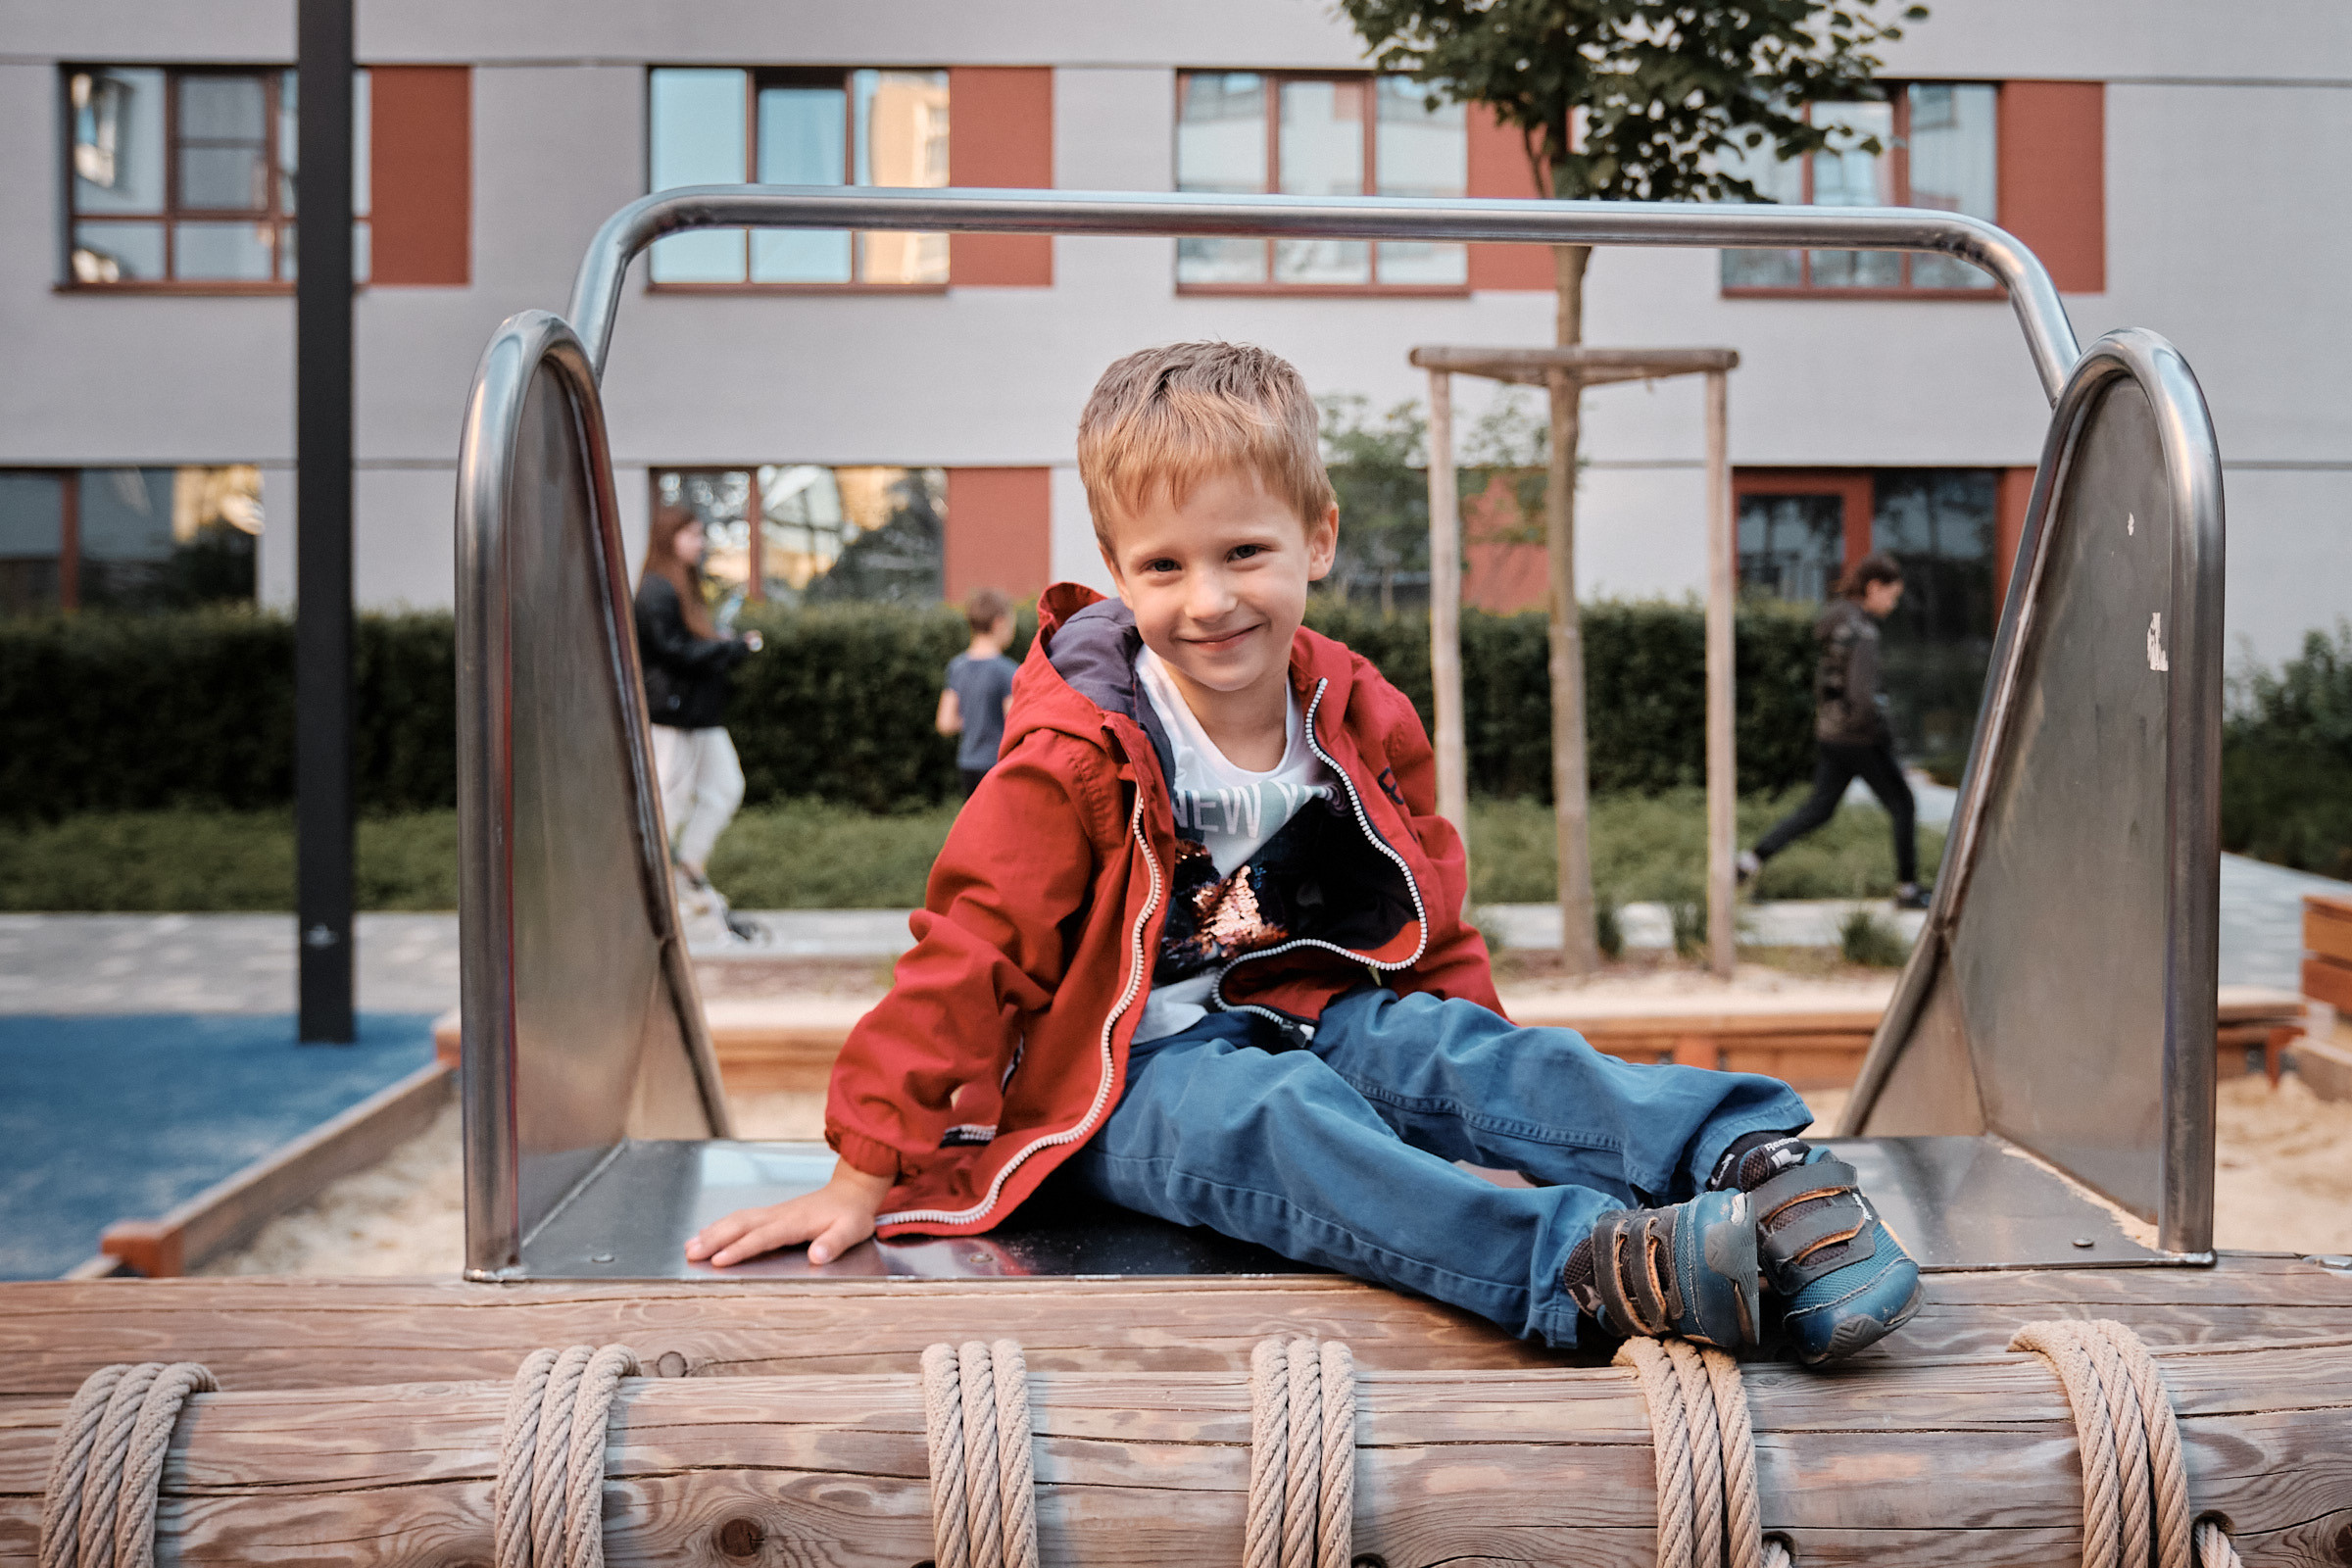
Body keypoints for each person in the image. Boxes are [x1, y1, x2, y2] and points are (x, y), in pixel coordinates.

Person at [686, 342, 1921, 1365]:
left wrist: (1484, 1115)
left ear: (1317, 538)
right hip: (1123, 1082)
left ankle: (1755, 1162)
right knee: (1274, 1121)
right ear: (1116, 572)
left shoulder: (1357, 715)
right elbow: (971, 948)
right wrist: (862, 1170)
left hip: (1308, 1007)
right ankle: (1588, 1268)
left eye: (1244, 553)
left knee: (1456, 1052)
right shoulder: (1081, 751)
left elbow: (1429, 920)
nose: (1208, 599)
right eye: (1163, 566)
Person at [1739, 551, 1929, 911]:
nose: (1892, 604)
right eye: (1891, 596)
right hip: (1860, 737)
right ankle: (1908, 889)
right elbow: (1863, 697)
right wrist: (1883, 740)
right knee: (1903, 803)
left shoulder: (1837, 621)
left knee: (1819, 809)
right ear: (1874, 587)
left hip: (1831, 733)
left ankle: (1746, 864)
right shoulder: (1863, 631)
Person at [635, 504, 764, 944]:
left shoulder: (681, 585)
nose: (700, 543)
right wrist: (732, 650)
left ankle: (688, 869)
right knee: (668, 805)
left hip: (699, 715)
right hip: (673, 717)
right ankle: (655, 896)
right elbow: (673, 651)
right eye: (692, 534)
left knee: (725, 787)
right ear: (670, 538)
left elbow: (686, 645)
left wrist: (722, 646)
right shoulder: (655, 589)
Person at [935, 587, 1019, 797]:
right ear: (999, 623)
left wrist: (974, 719)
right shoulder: (1008, 671)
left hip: (967, 764)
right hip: (997, 764)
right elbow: (1015, 723)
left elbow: (945, 723)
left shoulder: (956, 667)